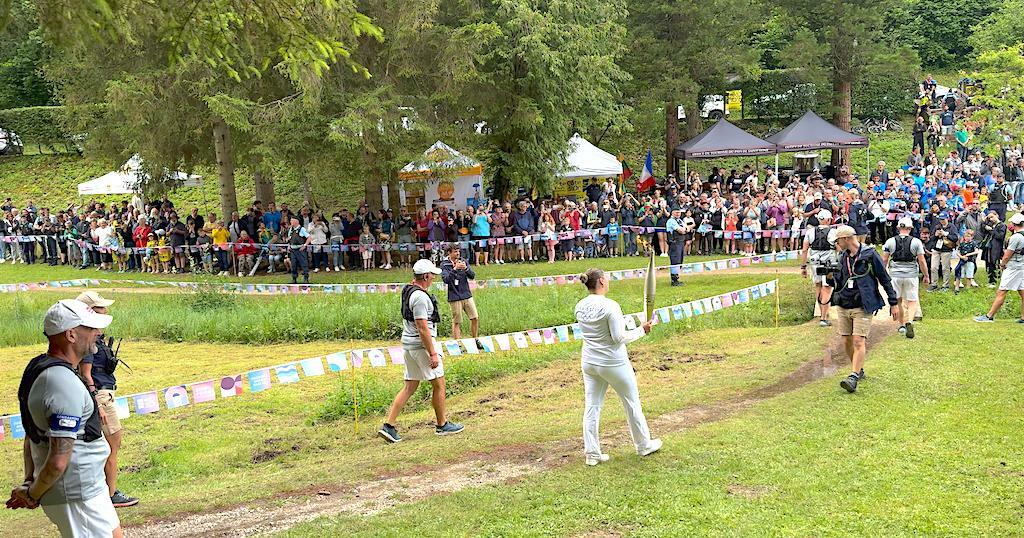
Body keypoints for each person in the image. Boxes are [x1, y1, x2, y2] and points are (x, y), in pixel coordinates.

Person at [9, 299, 123, 537]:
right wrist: (33, 493)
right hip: (77, 494)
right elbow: (59, 458)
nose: (98, 334)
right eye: (91, 328)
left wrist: (31, 481)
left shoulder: (48, 370)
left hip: (87, 488)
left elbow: (32, 435)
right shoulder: (61, 383)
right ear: (71, 334)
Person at [574, 268, 661, 466]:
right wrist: (642, 330)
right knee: (631, 402)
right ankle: (643, 444)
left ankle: (592, 454)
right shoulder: (610, 306)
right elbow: (619, 337)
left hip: (589, 362)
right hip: (612, 362)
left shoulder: (580, 306)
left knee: (592, 406)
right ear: (602, 282)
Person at [378, 259, 464, 443]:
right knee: (439, 385)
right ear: (425, 276)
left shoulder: (409, 290)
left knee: (410, 386)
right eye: (432, 275)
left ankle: (389, 426)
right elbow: (422, 327)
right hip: (420, 347)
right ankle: (442, 424)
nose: (434, 277)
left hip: (409, 346)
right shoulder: (421, 298)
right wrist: (432, 353)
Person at [75, 291, 139, 509]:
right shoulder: (88, 338)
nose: (106, 311)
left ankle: (105, 491)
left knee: (109, 446)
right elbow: (86, 373)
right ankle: (110, 494)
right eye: (100, 308)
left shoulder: (95, 337)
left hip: (104, 394)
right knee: (112, 446)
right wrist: (96, 402)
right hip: (101, 396)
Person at [831, 226, 900, 393]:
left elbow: (884, 278)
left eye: (838, 240)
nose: (837, 244)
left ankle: (853, 376)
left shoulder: (870, 254)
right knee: (846, 340)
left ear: (846, 238)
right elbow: (840, 281)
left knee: (858, 341)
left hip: (863, 305)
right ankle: (858, 369)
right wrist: (831, 277)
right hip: (844, 304)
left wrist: (893, 302)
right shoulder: (842, 257)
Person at [881, 218, 929, 338]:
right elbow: (922, 260)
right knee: (912, 301)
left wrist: (882, 275)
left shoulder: (890, 241)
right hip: (911, 275)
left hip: (895, 275)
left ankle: (901, 324)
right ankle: (910, 321)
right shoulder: (916, 242)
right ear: (910, 229)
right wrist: (926, 275)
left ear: (898, 228)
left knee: (898, 300)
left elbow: (885, 260)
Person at [974, 213, 1024, 323]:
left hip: (1013, 268)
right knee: (1022, 292)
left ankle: (989, 316)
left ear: (1015, 224)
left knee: (1001, 291)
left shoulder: (1016, 237)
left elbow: (1008, 254)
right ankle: (1023, 317)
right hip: (1021, 267)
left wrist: (1002, 264)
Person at [800, 210, 838, 327]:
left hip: (814, 262)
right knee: (827, 287)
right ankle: (823, 317)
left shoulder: (810, 232)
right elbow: (839, 247)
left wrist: (803, 266)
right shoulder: (833, 232)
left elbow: (805, 249)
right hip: (828, 263)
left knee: (818, 286)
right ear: (828, 220)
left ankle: (822, 312)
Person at [440, 244, 479, 341]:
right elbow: (446, 280)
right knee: (457, 321)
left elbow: (472, 276)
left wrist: (466, 269)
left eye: (458, 251)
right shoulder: (444, 264)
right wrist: (455, 269)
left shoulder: (463, 261)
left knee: (475, 317)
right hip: (454, 297)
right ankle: (458, 343)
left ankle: (475, 340)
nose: (457, 253)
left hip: (467, 295)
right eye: (455, 252)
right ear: (449, 253)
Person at [664, 208, 686, 287]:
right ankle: (674, 280)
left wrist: (684, 229)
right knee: (675, 261)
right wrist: (684, 230)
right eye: (676, 212)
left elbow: (686, 228)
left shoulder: (680, 220)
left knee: (680, 261)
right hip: (674, 243)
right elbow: (680, 230)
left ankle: (677, 278)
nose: (678, 214)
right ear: (672, 213)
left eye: (679, 212)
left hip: (680, 242)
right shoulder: (671, 221)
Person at [286, 217, 311, 284]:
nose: (290, 222)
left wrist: (305, 245)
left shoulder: (302, 229)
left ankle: (306, 278)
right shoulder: (291, 230)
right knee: (293, 265)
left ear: (296, 221)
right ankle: (294, 278)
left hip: (300, 250)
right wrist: (289, 245)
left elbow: (309, 237)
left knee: (304, 264)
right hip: (293, 250)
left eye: (292, 220)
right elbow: (289, 239)